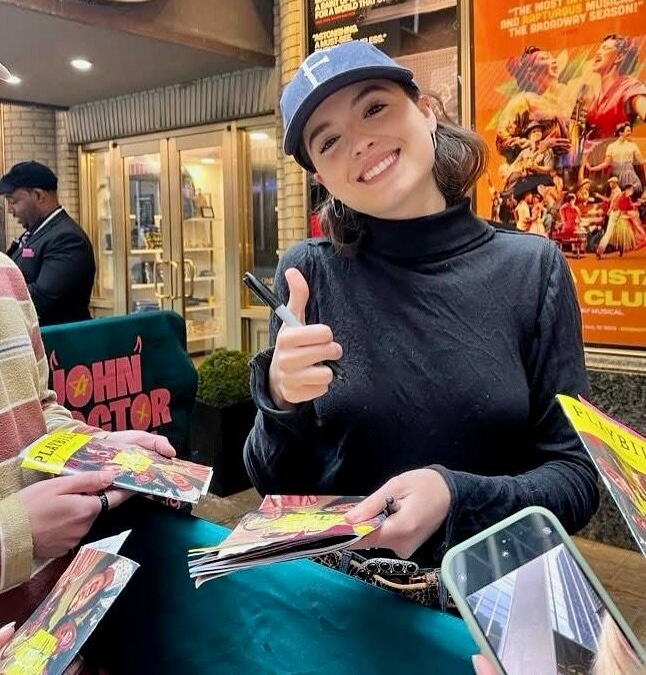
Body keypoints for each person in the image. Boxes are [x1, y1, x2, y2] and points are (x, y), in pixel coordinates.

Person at [244, 41, 598, 570]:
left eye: (374, 107)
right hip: (347, 593)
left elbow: (576, 479)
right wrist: (280, 398)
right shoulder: (308, 274)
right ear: (321, 177)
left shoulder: (533, 268)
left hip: (488, 595)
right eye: (330, 141)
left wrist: (457, 497)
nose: (360, 142)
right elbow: (273, 484)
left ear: (427, 111)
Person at [0, 251, 175, 627]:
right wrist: (15, 534)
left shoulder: (6, 273)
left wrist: (95, 449)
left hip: (54, 618)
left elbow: (40, 407)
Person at [0, 161, 95, 325]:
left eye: (13, 201)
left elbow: (40, 297)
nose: (10, 210)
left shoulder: (68, 239)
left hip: (58, 338)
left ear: (38, 195)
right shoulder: (35, 234)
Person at [586, 122, 645, 196]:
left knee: (634, 188)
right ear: (620, 133)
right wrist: (592, 169)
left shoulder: (633, 145)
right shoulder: (611, 146)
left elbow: (642, 161)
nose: (630, 133)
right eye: (628, 131)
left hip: (629, 174)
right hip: (616, 175)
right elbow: (606, 163)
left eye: (630, 131)